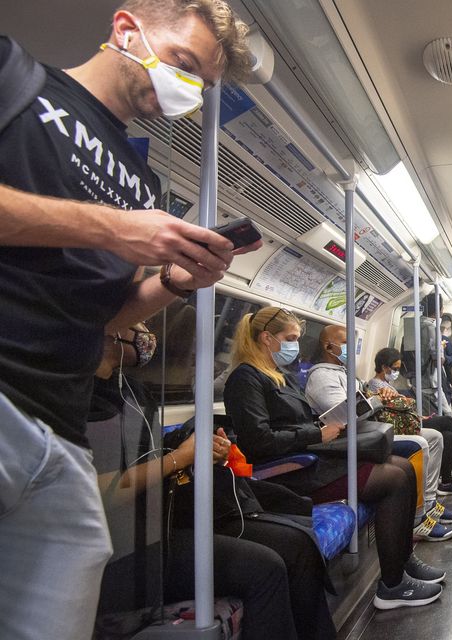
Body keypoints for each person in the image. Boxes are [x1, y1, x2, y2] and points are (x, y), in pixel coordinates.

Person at [0, 3, 256, 636]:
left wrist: (174, 280)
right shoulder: (18, 81)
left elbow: (106, 311)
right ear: (125, 29)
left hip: (62, 428)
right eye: (183, 64)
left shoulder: (141, 181)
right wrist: (116, 228)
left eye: (200, 81)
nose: (188, 89)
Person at [87, 324, 334, 639]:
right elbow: (99, 490)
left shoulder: (134, 391)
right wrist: (181, 457)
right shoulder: (78, 400)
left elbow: (149, 453)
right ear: (108, 330)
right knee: (267, 565)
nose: (146, 332)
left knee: (297, 539)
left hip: (159, 519)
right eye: (136, 324)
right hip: (123, 547)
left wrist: (196, 443)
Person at [223, 307, 443, 610]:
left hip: (307, 458)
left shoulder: (277, 376)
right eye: (290, 338)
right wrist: (316, 434)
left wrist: (323, 426)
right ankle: (392, 585)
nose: (295, 346)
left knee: (403, 467)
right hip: (285, 472)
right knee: (393, 478)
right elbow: (258, 441)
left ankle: (404, 562)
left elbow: (291, 422)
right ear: (266, 338)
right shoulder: (245, 379)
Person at [370, 347, 452, 496]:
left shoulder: (386, 385)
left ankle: (446, 482)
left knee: (447, 435)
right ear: (384, 367)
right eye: (395, 369)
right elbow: (394, 410)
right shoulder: (377, 386)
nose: (396, 372)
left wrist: (419, 417)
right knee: (446, 421)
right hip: (400, 427)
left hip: (407, 421)